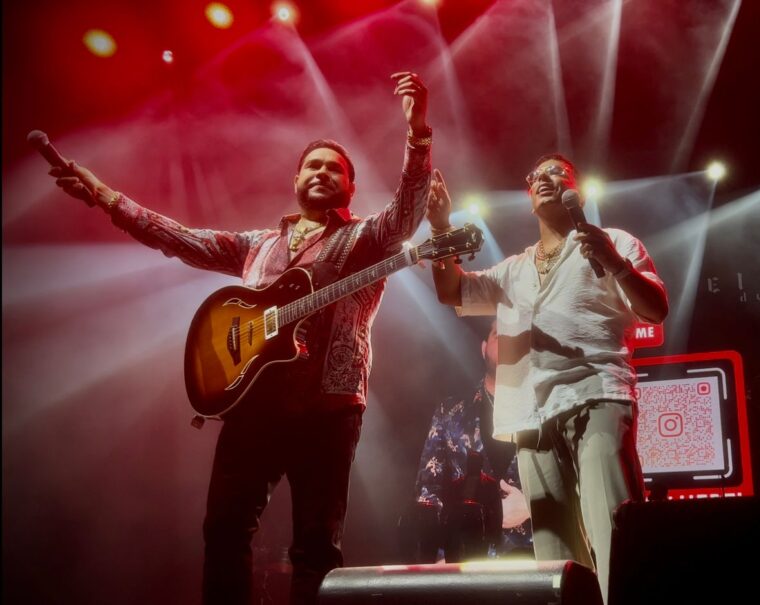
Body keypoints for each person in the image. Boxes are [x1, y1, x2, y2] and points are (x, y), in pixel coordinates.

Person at [48, 72, 433, 605]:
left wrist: (417, 136)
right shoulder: (258, 244)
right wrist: (106, 197)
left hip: (327, 408)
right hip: (252, 404)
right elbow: (181, 238)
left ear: (350, 187)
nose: (322, 172)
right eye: (312, 165)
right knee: (224, 531)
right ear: (296, 180)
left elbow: (407, 214)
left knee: (316, 547)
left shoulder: (365, 238)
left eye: (334, 169)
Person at [426, 155, 668, 603]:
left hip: (595, 393)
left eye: (558, 173)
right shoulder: (514, 268)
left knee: (613, 525)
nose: (545, 179)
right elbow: (451, 291)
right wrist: (441, 229)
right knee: (555, 555)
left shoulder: (614, 241)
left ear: (578, 190)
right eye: (536, 176)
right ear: (528, 196)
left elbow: (655, 308)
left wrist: (617, 265)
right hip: (530, 414)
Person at [409, 320, 532, 563]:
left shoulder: (546, 411)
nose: (507, 340)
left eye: (514, 335)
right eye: (499, 334)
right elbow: (427, 489)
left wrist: (531, 507)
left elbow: (573, 481)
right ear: (484, 347)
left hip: (532, 556)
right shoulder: (450, 411)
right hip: (464, 559)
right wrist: (438, 554)